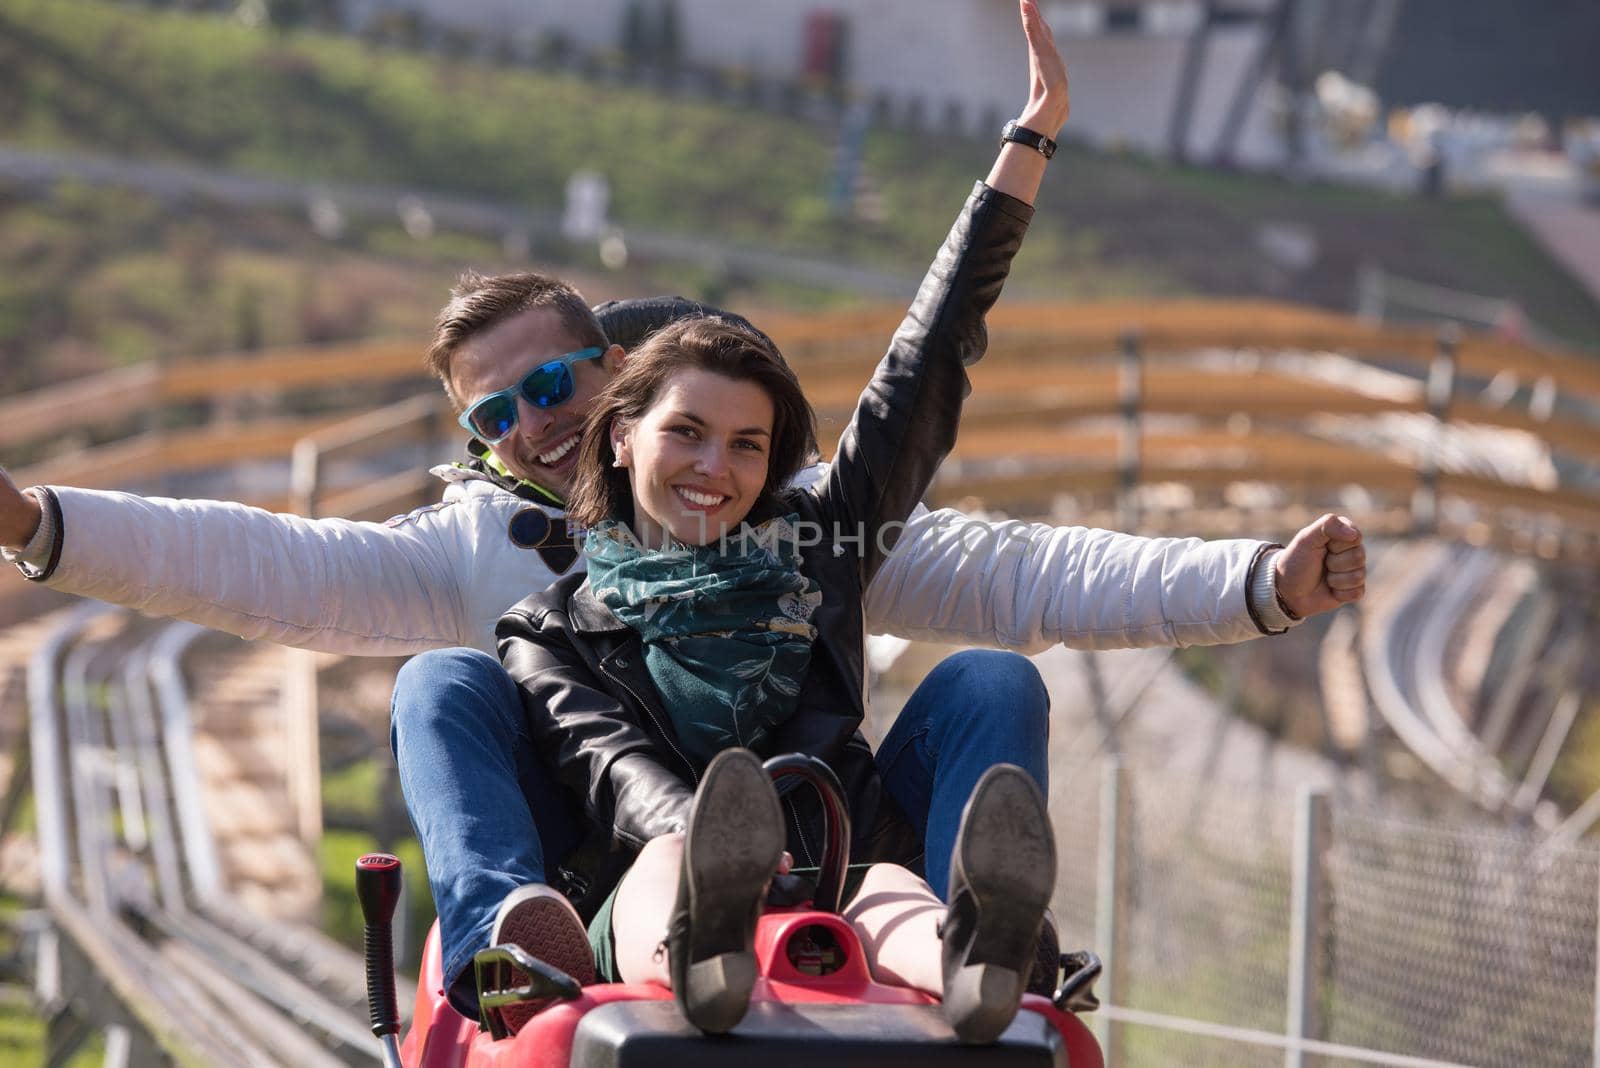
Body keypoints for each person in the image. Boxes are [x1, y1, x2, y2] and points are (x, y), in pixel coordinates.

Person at [0, 0, 1364, 1020]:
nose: (533, 423)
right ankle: (519, 935)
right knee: (440, 684)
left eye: (554, 383)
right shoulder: (513, 577)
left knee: (992, 673)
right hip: (630, 846)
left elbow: (1014, 543)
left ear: (620, 381)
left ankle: (976, 948)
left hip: (823, 838)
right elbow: (264, 567)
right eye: (495, 415)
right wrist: (38, 524)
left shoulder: (811, 530)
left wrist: (1258, 583)